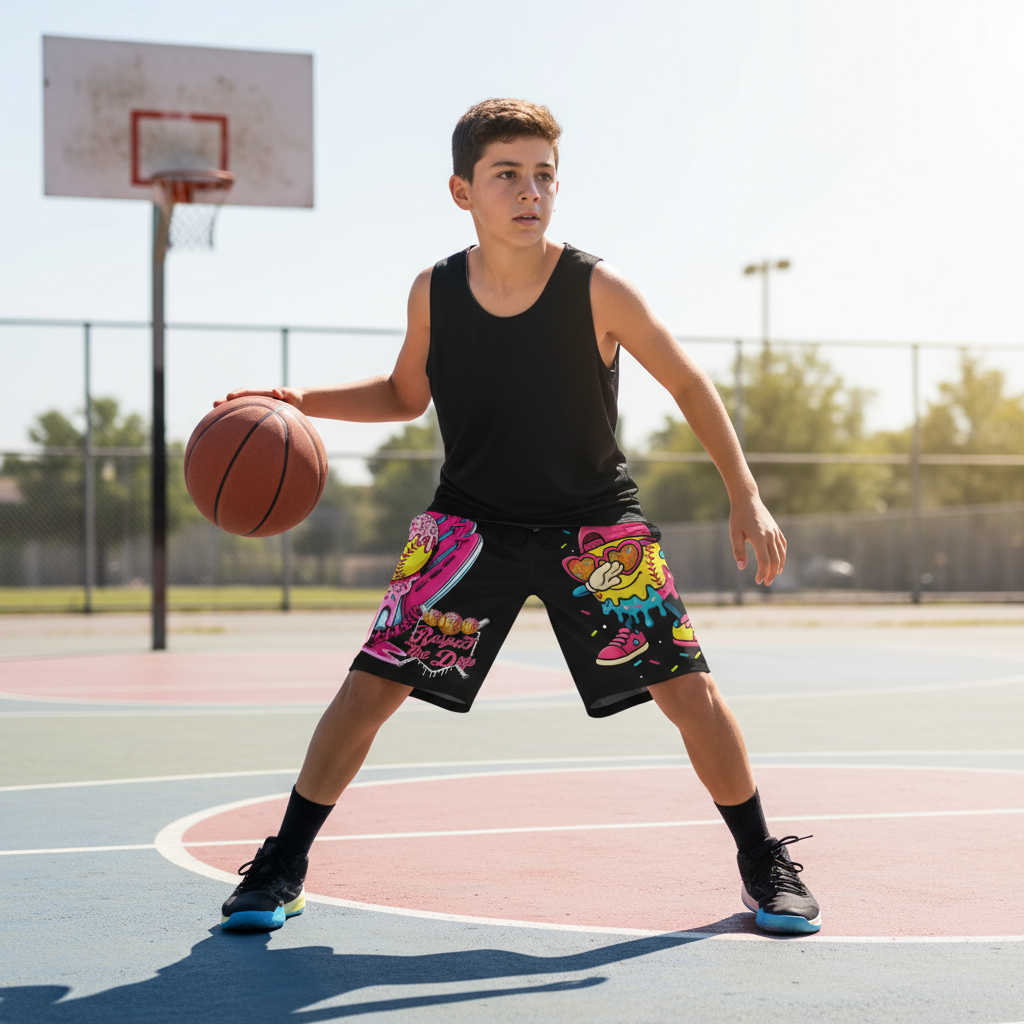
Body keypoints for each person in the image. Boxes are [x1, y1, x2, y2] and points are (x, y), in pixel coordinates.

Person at [216, 98, 821, 936]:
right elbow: (403, 394)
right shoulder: (435, 290)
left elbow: (688, 383)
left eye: (543, 175)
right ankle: (282, 863)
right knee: (366, 691)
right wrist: (298, 400)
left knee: (691, 691)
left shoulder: (597, 286)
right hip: (468, 526)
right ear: (463, 190)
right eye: (507, 174)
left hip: (594, 526)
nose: (529, 190)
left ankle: (763, 861)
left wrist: (744, 491)